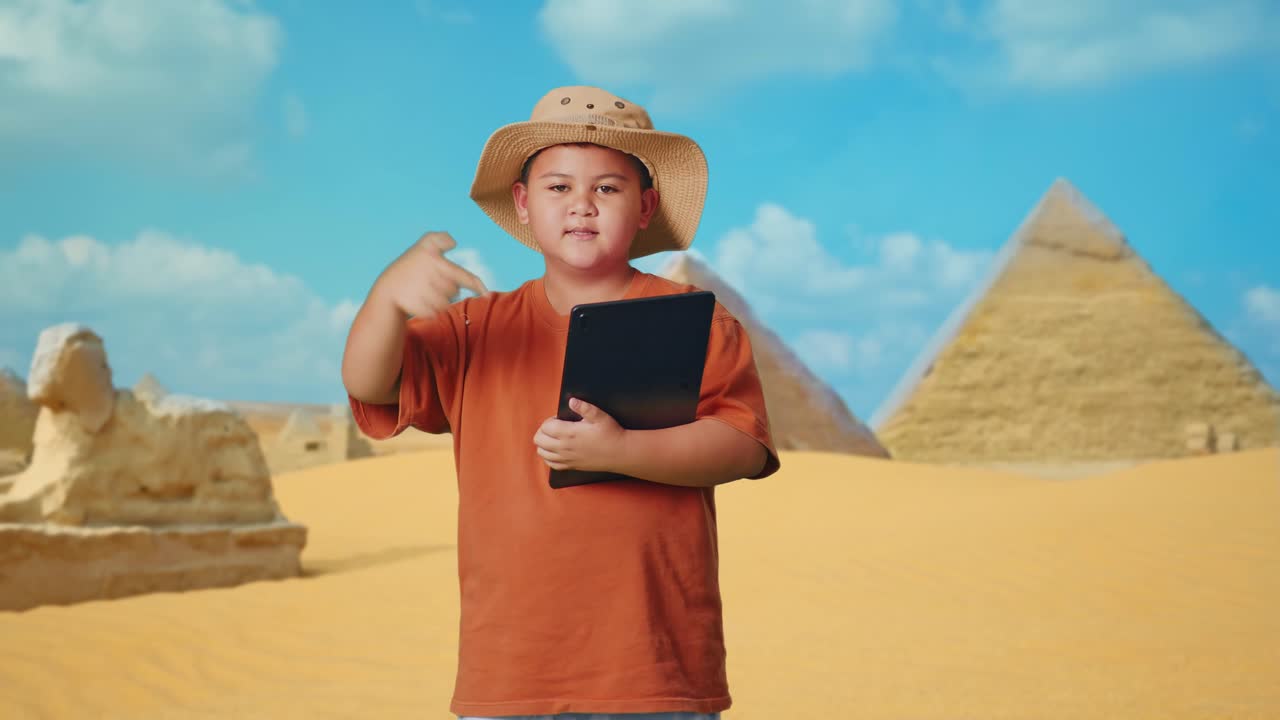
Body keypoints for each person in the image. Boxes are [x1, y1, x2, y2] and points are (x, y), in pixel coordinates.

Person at [341, 85, 781, 720]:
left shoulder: (697, 324)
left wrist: (624, 450)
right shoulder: (474, 328)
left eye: (607, 188)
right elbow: (369, 384)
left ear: (645, 206)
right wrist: (385, 301)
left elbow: (741, 444)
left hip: (653, 669)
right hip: (512, 670)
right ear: (523, 203)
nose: (582, 205)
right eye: (558, 188)